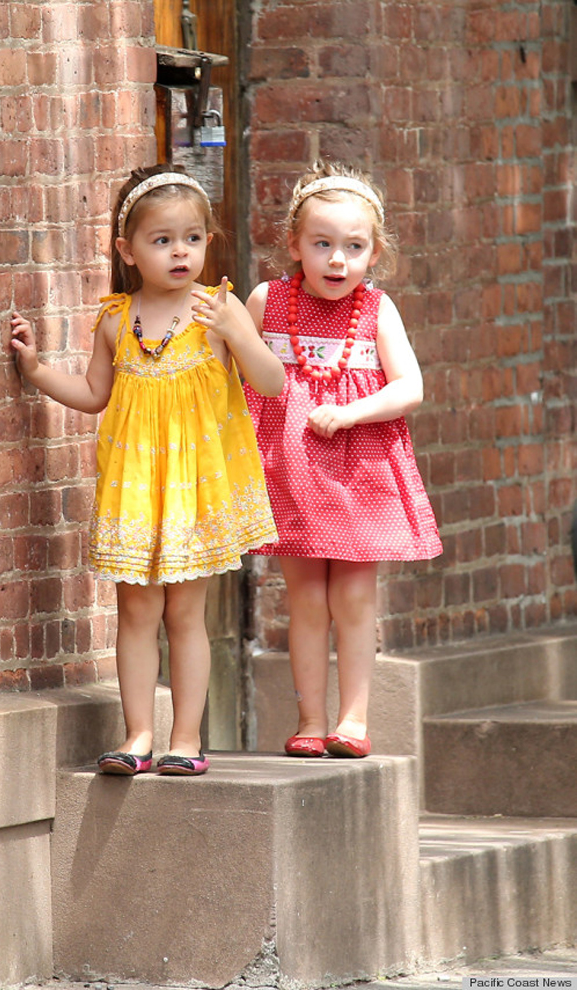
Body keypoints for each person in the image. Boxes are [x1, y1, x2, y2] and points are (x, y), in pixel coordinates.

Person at [11, 165, 284, 776]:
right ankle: (137, 735)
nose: (180, 251)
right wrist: (36, 371)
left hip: (194, 490)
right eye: (162, 240)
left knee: (185, 614)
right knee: (135, 613)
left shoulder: (218, 310)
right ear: (127, 251)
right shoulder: (116, 317)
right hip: (135, 489)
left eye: (192, 238)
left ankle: (185, 739)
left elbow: (272, 383)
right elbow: (93, 394)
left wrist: (240, 333)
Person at [243, 161, 442, 759]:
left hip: (360, 471)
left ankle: (353, 720)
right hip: (294, 469)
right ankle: (309, 718)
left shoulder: (377, 309)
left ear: (374, 252)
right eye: (322, 244)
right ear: (294, 244)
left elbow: (410, 387)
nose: (337, 260)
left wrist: (353, 413)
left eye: (354, 247)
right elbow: (235, 375)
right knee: (305, 598)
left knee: (353, 597)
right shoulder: (267, 301)